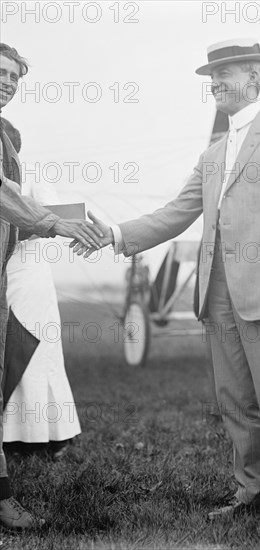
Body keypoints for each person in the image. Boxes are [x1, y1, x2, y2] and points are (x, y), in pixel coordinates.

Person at [75, 38, 260, 541]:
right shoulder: (212, 154)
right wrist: (116, 235)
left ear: (255, 78)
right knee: (235, 401)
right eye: (212, 76)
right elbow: (174, 213)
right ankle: (251, 490)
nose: (216, 82)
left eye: (226, 73)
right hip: (215, 296)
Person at [0, 43, 103, 530]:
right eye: (1, 72)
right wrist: (54, 226)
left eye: (15, 77)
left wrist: (85, 222)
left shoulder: (11, 149)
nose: (8, 82)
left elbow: (29, 204)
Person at [2, 118, 81, 456]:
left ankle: (48, 435)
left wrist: (21, 224)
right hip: (4, 269)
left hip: (28, 270)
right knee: (5, 347)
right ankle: (9, 434)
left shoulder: (32, 174)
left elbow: (56, 216)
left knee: (34, 348)